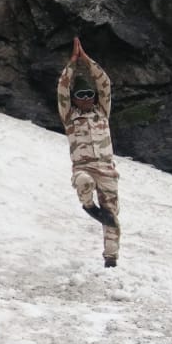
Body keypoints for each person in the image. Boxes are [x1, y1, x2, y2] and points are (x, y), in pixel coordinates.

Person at [57, 36, 120, 267]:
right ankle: (88, 206)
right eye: (81, 95)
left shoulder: (102, 112)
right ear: (74, 99)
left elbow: (105, 83)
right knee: (83, 181)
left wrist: (88, 61)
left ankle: (111, 259)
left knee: (111, 215)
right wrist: (73, 63)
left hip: (107, 170)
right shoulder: (69, 115)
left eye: (89, 95)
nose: (86, 99)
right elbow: (62, 87)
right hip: (84, 167)